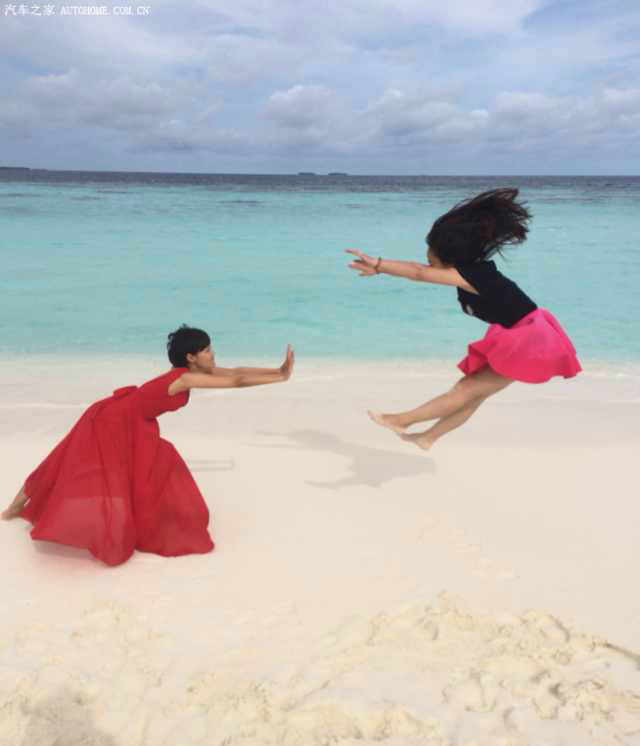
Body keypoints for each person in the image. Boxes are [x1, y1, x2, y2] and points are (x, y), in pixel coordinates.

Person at [2, 327, 295, 566]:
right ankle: (15, 507)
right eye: (207, 350)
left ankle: (18, 507)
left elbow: (236, 372)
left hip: (131, 421)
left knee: (96, 462)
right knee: (67, 460)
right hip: (111, 420)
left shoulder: (191, 372)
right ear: (191, 357)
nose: (213, 353)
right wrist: (279, 377)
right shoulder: (184, 378)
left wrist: (279, 371)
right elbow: (237, 381)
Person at [346, 188, 581, 451]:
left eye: (429, 254)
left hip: (531, 338)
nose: (426, 259)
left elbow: (418, 272)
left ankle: (401, 421)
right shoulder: (472, 273)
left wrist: (378, 264)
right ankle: (427, 438)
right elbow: (419, 270)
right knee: (473, 393)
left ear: (447, 255)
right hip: (528, 332)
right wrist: (380, 268)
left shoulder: (472, 276)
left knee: (467, 390)